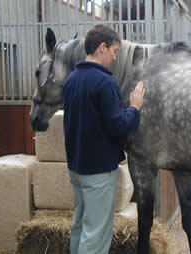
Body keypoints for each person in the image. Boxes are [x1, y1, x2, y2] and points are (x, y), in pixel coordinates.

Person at [62, 24, 145, 254]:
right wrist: (135, 109)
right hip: (98, 171)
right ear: (102, 47)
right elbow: (118, 126)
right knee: (96, 234)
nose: (115, 57)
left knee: (80, 226)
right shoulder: (104, 82)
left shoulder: (71, 80)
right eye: (114, 51)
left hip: (77, 168)